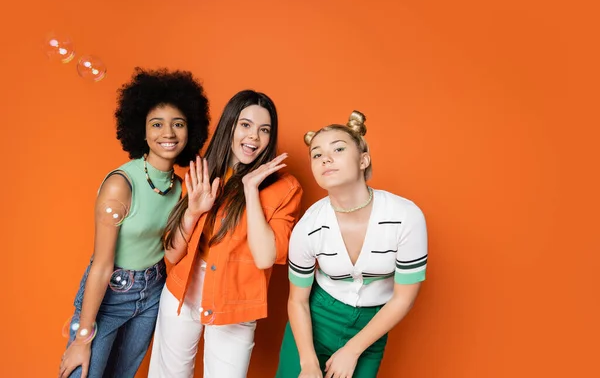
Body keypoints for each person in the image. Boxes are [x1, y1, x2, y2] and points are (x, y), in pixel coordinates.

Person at [58, 68, 211, 378]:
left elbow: (170, 253)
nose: (168, 133)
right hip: (110, 294)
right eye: (157, 124)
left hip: (153, 292)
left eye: (177, 124)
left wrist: (193, 211)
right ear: (141, 131)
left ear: (190, 130)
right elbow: (101, 265)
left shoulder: (182, 188)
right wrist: (81, 339)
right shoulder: (121, 184)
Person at [148, 89, 303, 378]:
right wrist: (193, 211)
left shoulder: (286, 188)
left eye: (264, 130)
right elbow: (172, 254)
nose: (254, 137)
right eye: (245, 125)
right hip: (182, 292)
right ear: (230, 125)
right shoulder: (201, 173)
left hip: (236, 303)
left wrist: (251, 189)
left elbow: (266, 257)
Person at [275, 111, 428, 378]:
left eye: (338, 148)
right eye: (317, 154)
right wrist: (308, 363)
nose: (326, 159)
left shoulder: (406, 216)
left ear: (363, 160)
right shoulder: (308, 227)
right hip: (315, 321)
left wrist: (353, 350)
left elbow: (404, 298)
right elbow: (297, 301)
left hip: (371, 328)